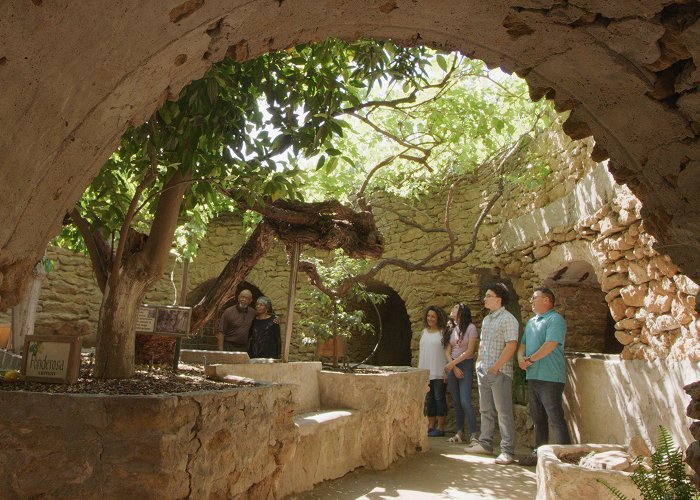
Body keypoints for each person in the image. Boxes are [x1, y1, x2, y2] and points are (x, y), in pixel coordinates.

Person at [464, 282, 519, 465]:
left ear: (498, 299)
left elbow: (511, 345)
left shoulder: (508, 319)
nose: (484, 298)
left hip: (499, 372)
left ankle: (507, 451)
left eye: (488, 295)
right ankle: (485, 443)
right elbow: (483, 344)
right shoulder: (487, 319)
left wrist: (496, 367)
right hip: (483, 371)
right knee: (485, 409)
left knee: (503, 412)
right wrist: (479, 363)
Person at [517, 287, 572, 466]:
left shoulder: (556, 320)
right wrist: (520, 359)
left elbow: (550, 344)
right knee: (538, 418)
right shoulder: (532, 322)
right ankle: (539, 455)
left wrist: (529, 360)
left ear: (547, 300)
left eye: (534, 298)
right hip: (533, 376)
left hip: (550, 377)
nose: (531, 301)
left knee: (555, 417)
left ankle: (566, 456)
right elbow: (522, 344)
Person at [443, 303, 479, 444]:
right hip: (453, 366)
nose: (452, 309)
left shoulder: (471, 328)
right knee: (456, 401)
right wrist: (453, 365)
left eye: (456, 307)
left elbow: (470, 351)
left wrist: (453, 364)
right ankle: (460, 433)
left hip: (465, 365)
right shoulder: (451, 328)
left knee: (465, 401)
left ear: (462, 312)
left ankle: (474, 434)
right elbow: (447, 350)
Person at [418, 305, 448, 437]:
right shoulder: (424, 332)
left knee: (439, 398)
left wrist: (447, 371)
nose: (430, 318)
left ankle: (440, 428)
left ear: (438, 318)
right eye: (428, 316)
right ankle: (431, 426)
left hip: (439, 371)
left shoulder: (443, 333)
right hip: (427, 372)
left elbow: (447, 353)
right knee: (429, 399)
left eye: (433, 316)